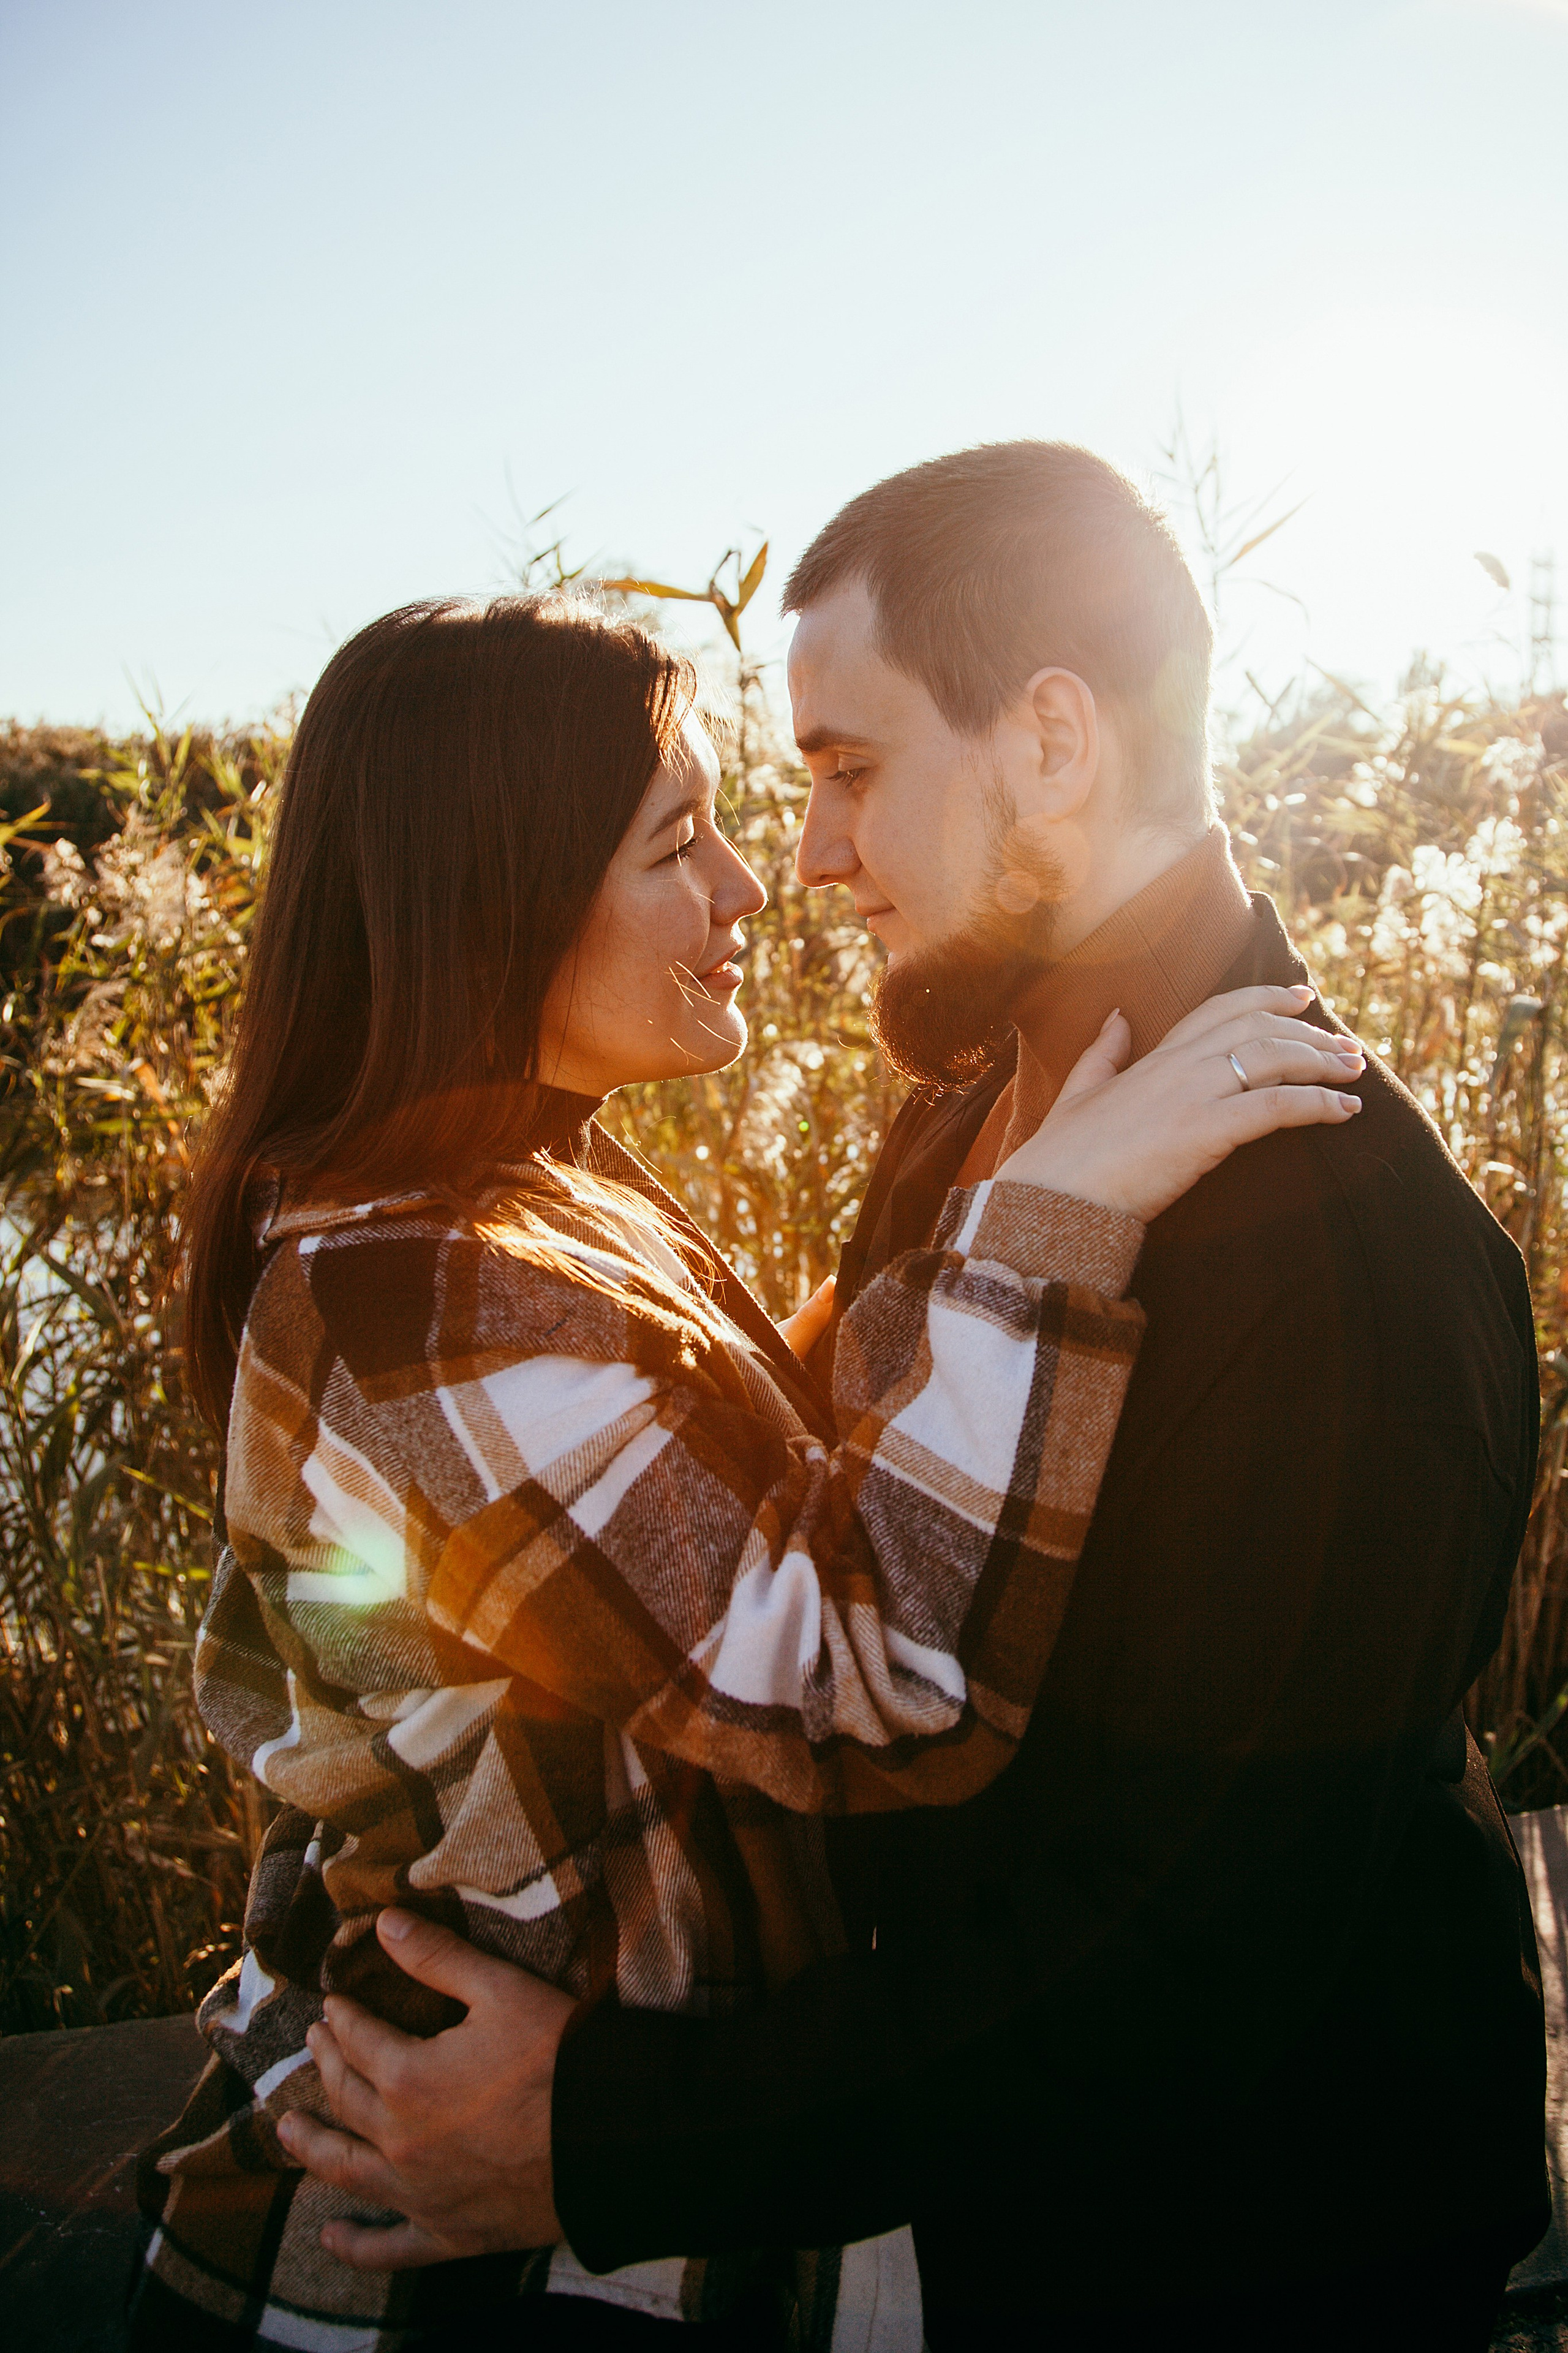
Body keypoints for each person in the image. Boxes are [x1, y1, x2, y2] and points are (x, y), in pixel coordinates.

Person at [281, 447, 1549, 2353]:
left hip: (1240, 2267)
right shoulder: (979, 1103)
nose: (804, 859)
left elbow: (1184, 1960)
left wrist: (603, 2135)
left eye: (845, 769)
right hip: (978, 2236)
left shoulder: (1325, 1240)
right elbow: (819, 1539)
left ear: (1051, 740)